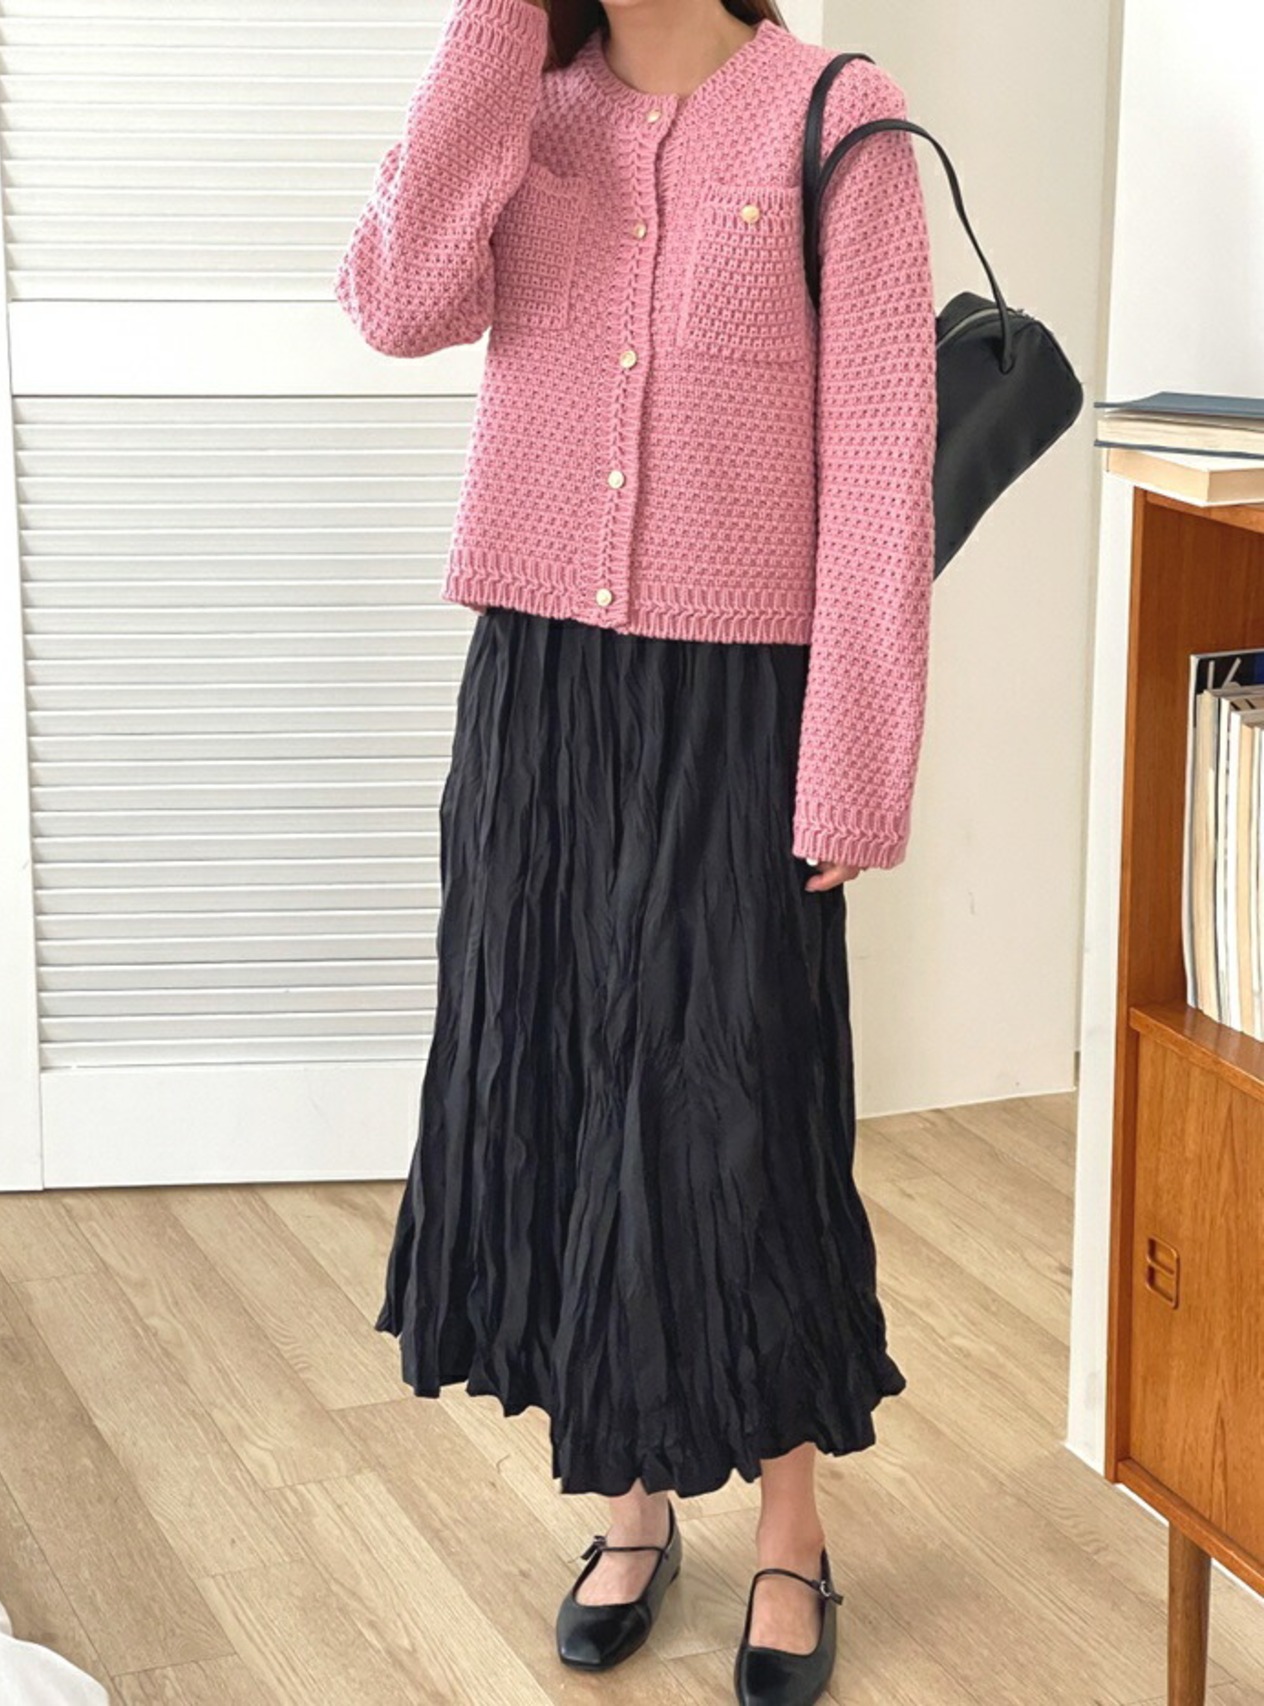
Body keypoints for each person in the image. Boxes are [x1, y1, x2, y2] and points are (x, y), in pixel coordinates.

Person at [334, 0, 937, 1699]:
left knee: (742, 1105)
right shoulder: (524, 109)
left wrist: (857, 757)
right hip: (540, 685)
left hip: (740, 703)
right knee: (564, 1087)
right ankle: (629, 1502)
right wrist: (494, 28)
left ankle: (793, 1527)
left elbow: (881, 457)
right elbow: (394, 302)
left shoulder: (838, 116)